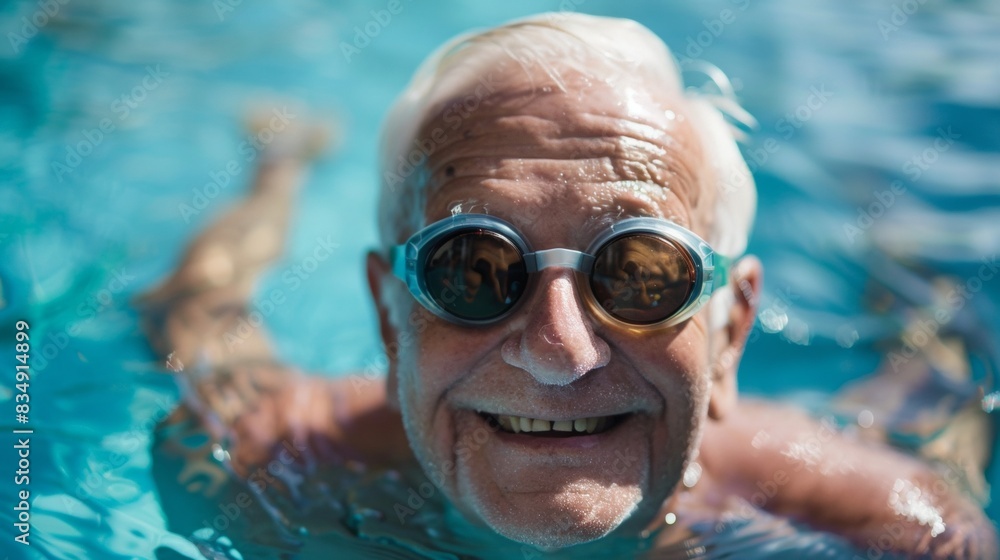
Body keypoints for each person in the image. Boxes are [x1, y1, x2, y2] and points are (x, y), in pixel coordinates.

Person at [140, 13, 998, 558]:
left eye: (639, 273)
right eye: (474, 270)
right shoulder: (270, 464)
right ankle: (278, 168)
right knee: (194, 316)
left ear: (733, 331)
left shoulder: (882, 524)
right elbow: (201, 331)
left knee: (934, 378)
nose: (559, 351)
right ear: (388, 314)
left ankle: (902, 265)